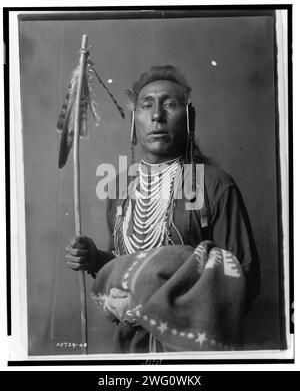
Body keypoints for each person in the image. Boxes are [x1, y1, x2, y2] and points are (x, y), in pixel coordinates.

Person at [65, 65, 260, 353]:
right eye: (146, 105)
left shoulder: (215, 185)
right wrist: (96, 260)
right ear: (134, 122)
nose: (157, 115)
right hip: (132, 349)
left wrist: (155, 305)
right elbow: (126, 264)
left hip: (192, 352)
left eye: (170, 104)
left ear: (189, 118)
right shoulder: (121, 188)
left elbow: (243, 280)